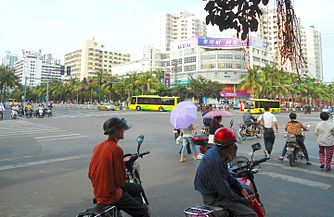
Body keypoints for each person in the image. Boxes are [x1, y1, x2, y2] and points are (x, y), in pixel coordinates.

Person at [88, 117, 149, 217]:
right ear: (115, 131)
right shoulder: (116, 149)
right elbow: (120, 181)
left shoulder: (98, 147)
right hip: (111, 195)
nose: (123, 131)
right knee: (141, 203)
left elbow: (90, 174)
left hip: (99, 192)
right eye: (121, 129)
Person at [194, 128, 257, 217]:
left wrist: (241, 189)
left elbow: (228, 175)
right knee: (251, 215)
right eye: (233, 144)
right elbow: (225, 192)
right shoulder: (214, 162)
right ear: (229, 146)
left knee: (248, 190)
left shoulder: (219, 154)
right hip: (214, 197)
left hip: (218, 191)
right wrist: (244, 200)